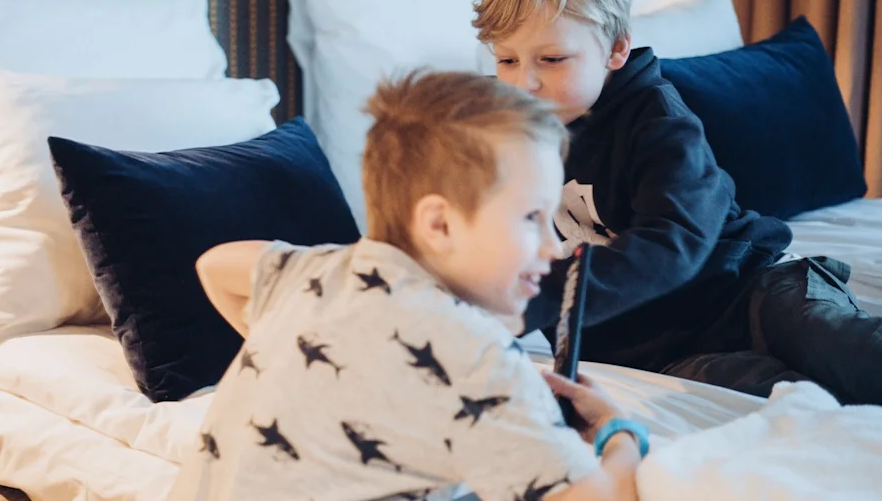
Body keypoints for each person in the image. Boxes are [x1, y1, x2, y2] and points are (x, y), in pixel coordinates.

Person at [473, 0, 882, 414]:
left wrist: (544, 298)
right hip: (665, 350)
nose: (524, 82)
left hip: (750, 288)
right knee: (791, 403)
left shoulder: (658, 120)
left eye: (552, 59)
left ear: (616, 50)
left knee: (846, 351)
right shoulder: (505, 136)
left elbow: (673, 238)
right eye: (506, 60)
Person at [168, 71, 646, 501]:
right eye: (530, 218)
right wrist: (617, 432)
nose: (553, 246)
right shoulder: (479, 358)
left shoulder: (316, 272)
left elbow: (215, 266)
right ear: (439, 225)